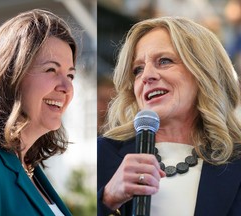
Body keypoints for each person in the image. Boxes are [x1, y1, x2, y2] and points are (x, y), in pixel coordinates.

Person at [97, 16, 241, 216]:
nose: (146, 76)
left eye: (164, 61)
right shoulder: (101, 155)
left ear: (203, 72)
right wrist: (107, 200)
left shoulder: (236, 163)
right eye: (137, 69)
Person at [0, 9, 77, 216]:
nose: (66, 87)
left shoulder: (29, 168)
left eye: (70, 75)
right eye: (51, 70)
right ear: (11, 76)